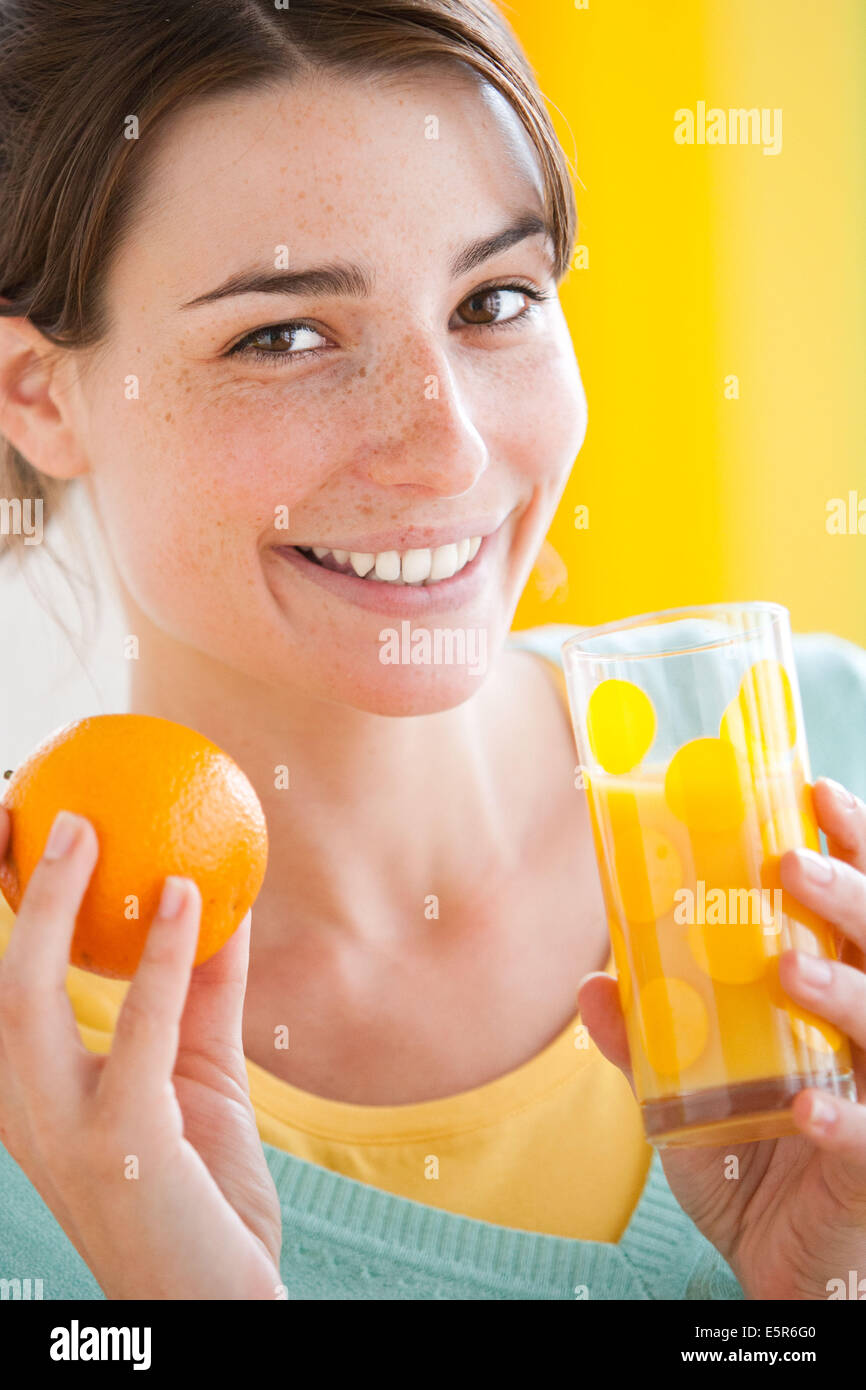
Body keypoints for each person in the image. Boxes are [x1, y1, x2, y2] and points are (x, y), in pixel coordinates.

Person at [0, 0, 865, 1302]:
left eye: (494, 299)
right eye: (283, 336)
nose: (446, 447)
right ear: (38, 393)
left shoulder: (828, 760)